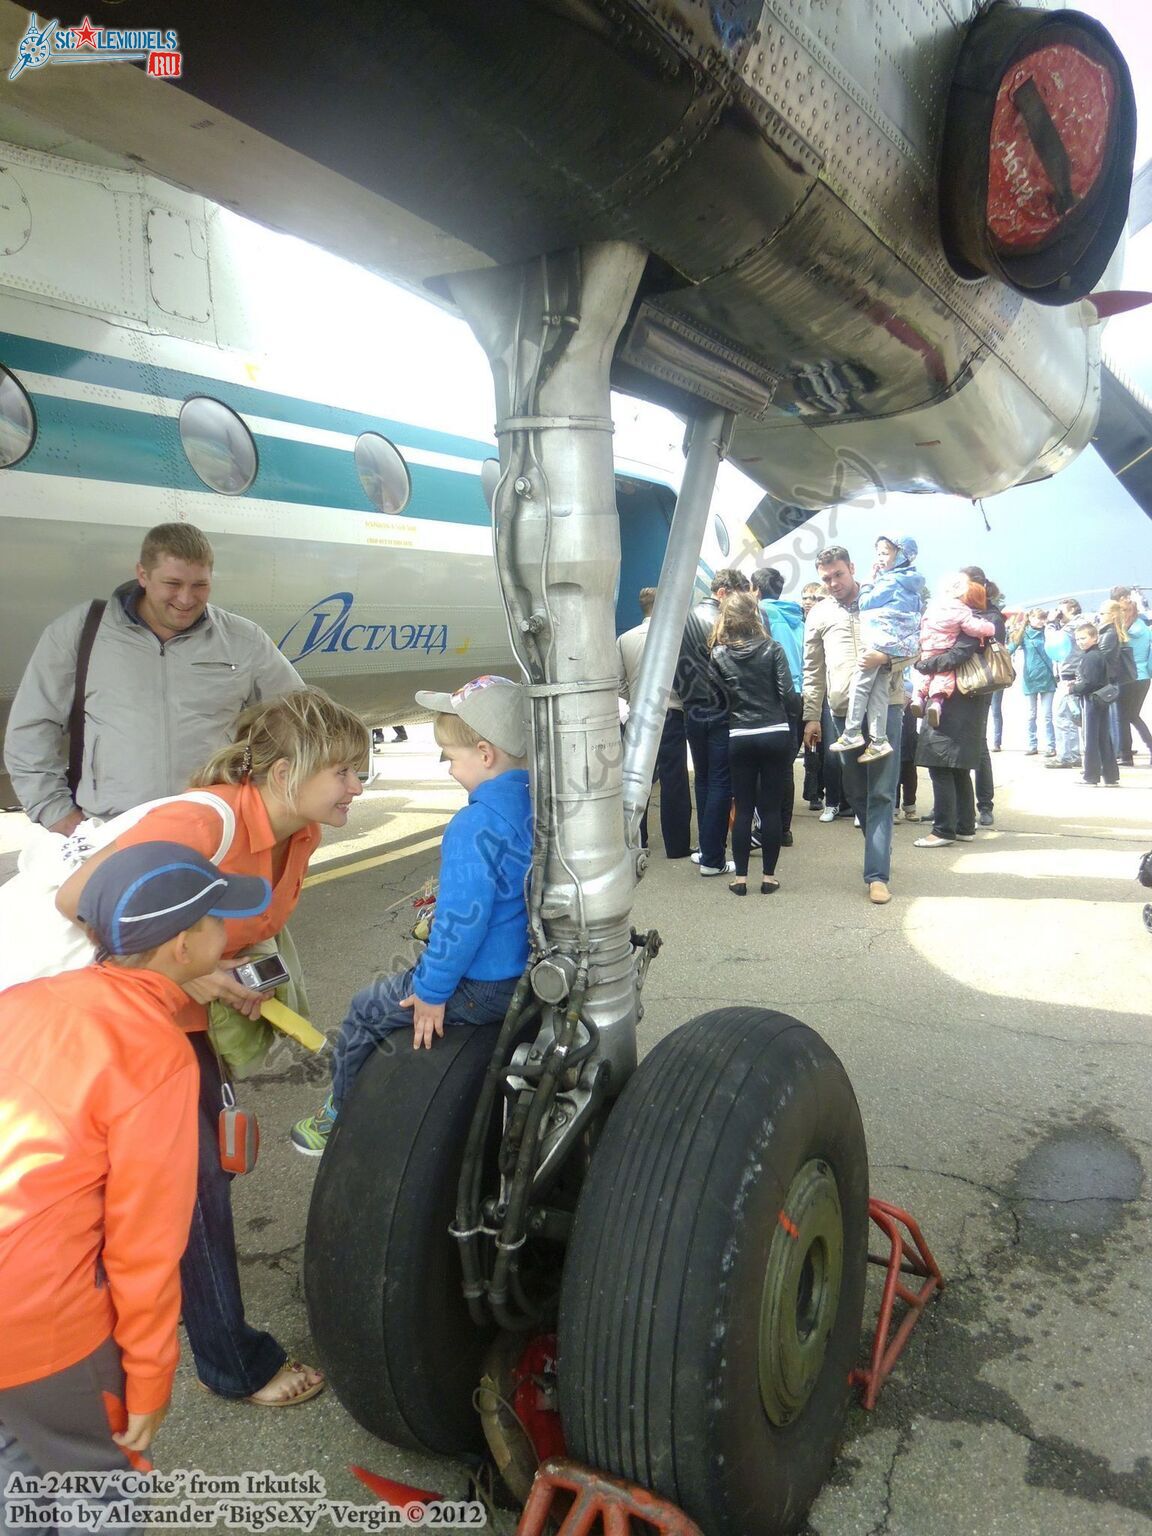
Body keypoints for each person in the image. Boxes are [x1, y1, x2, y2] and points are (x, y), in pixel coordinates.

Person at [55, 688, 370, 1407]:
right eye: (346, 771)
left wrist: (231, 973)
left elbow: (235, 922)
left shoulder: (300, 831)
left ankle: (110, 1322)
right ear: (287, 772)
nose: (359, 786)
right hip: (132, 1024)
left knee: (200, 1176)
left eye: (362, 770)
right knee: (194, 1189)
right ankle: (230, 1362)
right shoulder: (201, 820)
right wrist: (199, 976)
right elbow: (79, 899)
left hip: (180, 1023)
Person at [0, 843, 271, 1528]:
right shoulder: (155, 1055)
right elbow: (145, 1243)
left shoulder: (27, 998)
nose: (228, 931)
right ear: (183, 946)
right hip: (43, 1324)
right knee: (98, 1492)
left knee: (17, 1466)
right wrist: (149, 1377)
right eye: (216, 919)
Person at [293, 675, 532, 1150]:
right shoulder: (538, 805)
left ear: (485, 754)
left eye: (450, 757)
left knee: (365, 1008)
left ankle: (334, 1116)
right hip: (524, 977)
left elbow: (463, 921)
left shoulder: (474, 823)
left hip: (482, 987)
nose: (448, 770)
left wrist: (431, 991)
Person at [5, 523, 304, 837]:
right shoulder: (83, 631)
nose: (186, 599)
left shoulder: (243, 639)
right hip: (113, 832)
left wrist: (274, 800)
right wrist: (56, 813)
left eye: (200, 585)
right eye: (172, 583)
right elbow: (31, 727)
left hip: (214, 830)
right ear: (143, 575)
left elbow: (303, 719)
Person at [802, 546, 905, 905]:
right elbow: (812, 670)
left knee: (880, 792)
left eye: (838, 575)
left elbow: (915, 644)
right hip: (841, 713)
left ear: (852, 569)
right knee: (855, 791)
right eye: (826, 578)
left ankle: (877, 875)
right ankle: (879, 845)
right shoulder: (818, 614)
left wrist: (888, 657)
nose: (833, 583)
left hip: (885, 708)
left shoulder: (883, 599)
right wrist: (811, 716)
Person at [708, 593, 799, 895]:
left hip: (740, 734)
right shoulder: (773, 648)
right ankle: (769, 878)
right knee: (771, 809)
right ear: (755, 615)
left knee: (744, 807)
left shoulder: (719, 654)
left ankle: (740, 879)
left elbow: (716, 700)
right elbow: (787, 693)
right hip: (774, 731)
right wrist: (793, 714)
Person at [676, 569, 750, 876]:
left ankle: (707, 849)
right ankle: (712, 858)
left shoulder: (684, 619)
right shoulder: (722, 623)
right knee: (721, 781)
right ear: (723, 592)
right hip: (721, 709)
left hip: (691, 707)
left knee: (704, 779)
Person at [828, 535, 924, 764]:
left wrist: (870, 580)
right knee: (879, 689)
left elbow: (865, 602)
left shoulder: (890, 582)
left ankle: (851, 732)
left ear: (900, 554)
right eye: (878, 552)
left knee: (860, 685)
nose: (880, 558)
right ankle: (878, 740)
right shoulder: (910, 581)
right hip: (894, 642)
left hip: (880, 640)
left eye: (885, 552)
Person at [617, 587, 692, 858]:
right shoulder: (675, 638)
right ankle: (677, 845)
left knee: (637, 777)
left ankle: (638, 840)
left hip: (637, 715)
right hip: (670, 713)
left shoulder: (625, 639)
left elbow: (619, 682)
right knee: (674, 779)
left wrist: (632, 698)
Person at [912, 594, 991, 847]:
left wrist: (925, 665)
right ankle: (964, 826)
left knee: (941, 766)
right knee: (958, 769)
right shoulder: (979, 621)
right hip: (963, 702)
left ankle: (943, 830)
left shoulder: (969, 623)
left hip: (952, 703)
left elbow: (958, 654)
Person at [751, 566, 805, 846]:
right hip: (798, 694)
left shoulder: (761, 612)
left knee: (763, 766)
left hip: (773, 693)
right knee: (785, 767)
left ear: (756, 590)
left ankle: (764, 828)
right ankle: (783, 829)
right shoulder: (798, 616)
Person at [911, 574, 995, 724]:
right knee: (943, 677)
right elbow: (972, 629)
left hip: (928, 646)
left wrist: (921, 659)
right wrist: (989, 628)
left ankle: (918, 697)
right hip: (945, 647)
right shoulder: (962, 610)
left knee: (926, 676)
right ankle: (936, 703)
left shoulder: (933, 607)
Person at [962, 568, 1006, 828]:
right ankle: (948, 804)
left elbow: (993, 643)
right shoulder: (961, 610)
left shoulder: (992, 615)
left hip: (980, 685)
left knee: (978, 745)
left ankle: (985, 805)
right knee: (952, 747)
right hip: (956, 684)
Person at [1067, 622, 1119, 787]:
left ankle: (1090, 775)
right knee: (1104, 738)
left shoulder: (1089, 657)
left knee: (1091, 739)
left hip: (1091, 700)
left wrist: (1073, 688)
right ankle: (1110, 776)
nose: (1080, 641)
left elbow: (1089, 683)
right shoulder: (1099, 655)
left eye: (1083, 638)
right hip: (1102, 700)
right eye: (1077, 639)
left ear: (1095, 637)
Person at [1008, 608, 1057, 756]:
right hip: (1030, 677)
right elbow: (1010, 649)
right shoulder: (1025, 634)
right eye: (1038, 618)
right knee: (1031, 715)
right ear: (1030, 619)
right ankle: (1032, 744)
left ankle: (1051, 746)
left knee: (1047, 715)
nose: (1041, 621)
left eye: (1043, 618)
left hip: (1047, 677)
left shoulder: (1047, 632)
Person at [1111, 589, 1152, 765]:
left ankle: (1126, 755)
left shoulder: (1128, 631)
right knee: (1133, 716)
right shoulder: (1143, 627)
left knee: (1123, 716)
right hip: (1143, 676)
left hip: (1130, 676)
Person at [1096, 599, 1139, 766]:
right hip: (1116, 679)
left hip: (1110, 680)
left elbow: (1102, 657)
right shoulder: (1115, 631)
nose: (1099, 617)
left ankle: (1114, 755)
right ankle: (1118, 753)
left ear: (1112, 615)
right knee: (1117, 718)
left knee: (1114, 719)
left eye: (1102, 614)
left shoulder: (1109, 633)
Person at [1046, 598, 1084, 769]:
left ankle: (1066, 756)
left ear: (1073, 609)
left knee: (1063, 717)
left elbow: (1053, 640)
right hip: (1072, 675)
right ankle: (1074, 755)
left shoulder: (1074, 626)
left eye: (1062, 610)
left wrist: (1051, 622)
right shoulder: (1079, 624)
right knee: (1071, 717)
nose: (1059, 614)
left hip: (1070, 677)